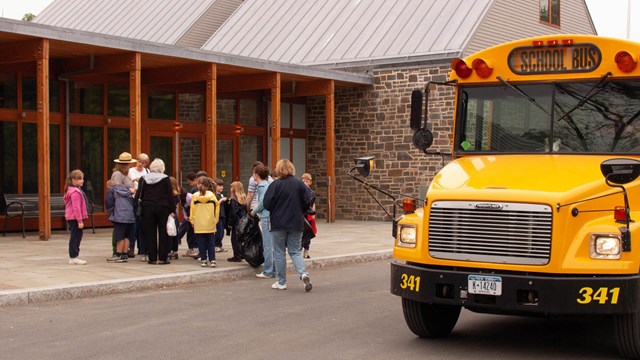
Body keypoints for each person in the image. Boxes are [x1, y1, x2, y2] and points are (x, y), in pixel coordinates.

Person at [263, 159, 314, 292]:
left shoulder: (275, 185)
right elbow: (308, 200)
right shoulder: (299, 184)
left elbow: (266, 203)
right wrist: (301, 210)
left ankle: (281, 282)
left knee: (279, 252)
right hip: (296, 222)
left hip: (278, 223)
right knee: (295, 251)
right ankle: (303, 274)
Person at [134, 158, 176, 265]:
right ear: (162, 168)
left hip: (148, 206)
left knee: (150, 232)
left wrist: (137, 207)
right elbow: (170, 195)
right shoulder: (165, 179)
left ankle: (152, 257)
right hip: (163, 207)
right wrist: (172, 209)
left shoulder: (143, 178)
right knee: (163, 232)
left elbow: (139, 194)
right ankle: (163, 257)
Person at [109, 152, 137, 258]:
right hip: (120, 207)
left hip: (128, 206)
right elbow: (116, 189)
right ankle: (117, 252)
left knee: (127, 232)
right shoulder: (117, 174)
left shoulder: (125, 174)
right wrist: (131, 191)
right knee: (120, 231)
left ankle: (124, 252)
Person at [190, 176, 220, 267]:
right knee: (211, 243)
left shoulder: (195, 196)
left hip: (199, 223)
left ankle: (203, 259)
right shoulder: (212, 196)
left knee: (201, 243)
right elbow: (217, 208)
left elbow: (192, 209)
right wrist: (216, 220)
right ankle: (212, 260)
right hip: (210, 223)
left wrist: (192, 220)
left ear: (198, 185)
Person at [250, 165, 275, 277]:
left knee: (267, 245)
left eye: (253, 173)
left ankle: (268, 271)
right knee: (272, 245)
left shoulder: (261, 186)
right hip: (271, 216)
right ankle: (273, 270)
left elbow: (262, 203)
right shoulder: (268, 184)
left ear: (257, 174)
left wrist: (253, 211)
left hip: (266, 217)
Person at [105, 178, 136, 263]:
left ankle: (118, 254)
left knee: (119, 236)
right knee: (127, 236)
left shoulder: (111, 191)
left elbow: (109, 203)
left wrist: (111, 215)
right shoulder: (128, 191)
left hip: (119, 216)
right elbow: (134, 203)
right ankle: (125, 254)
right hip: (130, 216)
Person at [128, 153, 150, 259]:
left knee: (142, 225)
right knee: (134, 225)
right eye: (139, 161)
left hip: (142, 200)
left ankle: (142, 249)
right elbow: (127, 184)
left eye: (143, 162)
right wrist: (134, 181)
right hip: (133, 199)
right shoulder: (131, 171)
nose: (141, 164)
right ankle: (131, 247)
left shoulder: (147, 172)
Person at [65, 169, 89, 265]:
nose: (82, 180)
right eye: (79, 179)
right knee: (76, 237)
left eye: (82, 178)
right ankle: (73, 257)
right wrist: (80, 221)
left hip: (72, 217)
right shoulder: (75, 192)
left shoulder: (73, 190)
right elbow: (76, 207)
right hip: (74, 218)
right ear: (73, 180)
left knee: (76, 236)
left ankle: (74, 256)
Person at [226, 181, 247, 262]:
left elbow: (233, 213)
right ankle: (242, 254)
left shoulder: (234, 200)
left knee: (234, 239)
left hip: (236, 223)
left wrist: (230, 223)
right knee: (241, 239)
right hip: (243, 221)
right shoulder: (243, 198)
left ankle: (237, 255)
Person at [180, 172, 199, 258]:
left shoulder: (190, 196)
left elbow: (194, 207)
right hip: (188, 217)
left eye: (190, 182)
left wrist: (192, 217)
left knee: (193, 233)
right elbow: (183, 208)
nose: (190, 184)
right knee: (189, 233)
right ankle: (191, 248)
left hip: (193, 217)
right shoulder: (182, 199)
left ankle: (195, 248)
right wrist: (185, 217)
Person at [301, 173, 317, 259]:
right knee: (300, 234)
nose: (305, 182)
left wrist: (313, 215)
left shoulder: (312, 193)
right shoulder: (300, 192)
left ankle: (306, 251)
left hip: (309, 215)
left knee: (308, 234)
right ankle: (299, 249)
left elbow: (313, 203)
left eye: (307, 181)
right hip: (302, 215)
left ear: (310, 182)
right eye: (303, 181)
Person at [168, 177, 182, 260]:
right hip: (175, 215)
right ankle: (175, 250)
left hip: (170, 214)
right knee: (174, 233)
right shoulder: (177, 194)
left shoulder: (170, 194)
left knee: (169, 232)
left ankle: (169, 250)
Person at [213, 178, 228, 253]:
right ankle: (216, 245)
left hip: (222, 215)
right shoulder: (214, 195)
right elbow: (215, 204)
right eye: (219, 185)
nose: (221, 187)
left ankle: (219, 245)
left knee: (222, 231)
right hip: (217, 215)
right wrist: (222, 200)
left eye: (222, 185)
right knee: (218, 231)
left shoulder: (220, 195)